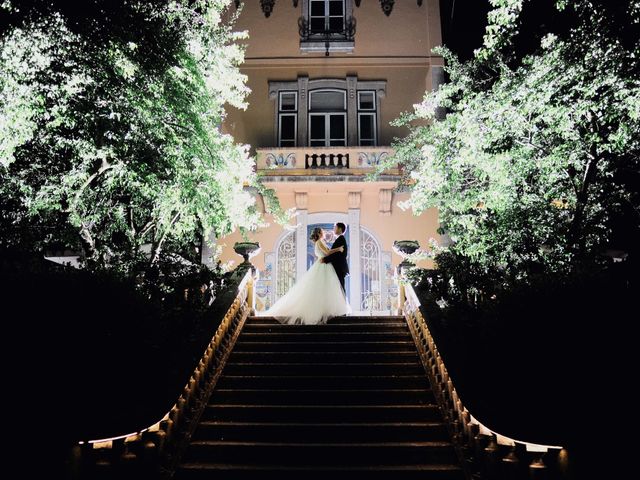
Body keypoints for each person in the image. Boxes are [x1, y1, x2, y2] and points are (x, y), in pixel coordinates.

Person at [262, 226, 351, 324]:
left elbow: (327, 253)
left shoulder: (321, 242)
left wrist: (335, 252)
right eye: (322, 232)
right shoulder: (319, 242)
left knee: (325, 289)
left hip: (325, 265)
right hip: (322, 267)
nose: (324, 233)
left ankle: (325, 309)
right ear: (318, 234)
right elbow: (328, 252)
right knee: (322, 288)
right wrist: (338, 249)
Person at [320, 222, 349, 293]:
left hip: (339, 267)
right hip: (338, 267)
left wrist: (325, 260)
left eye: (335, 227)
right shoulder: (339, 239)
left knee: (340, 287)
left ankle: (343, 303)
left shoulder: (341, 239)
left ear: (340, 229)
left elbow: (337, 255)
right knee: (339, 287)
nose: (333, 229)